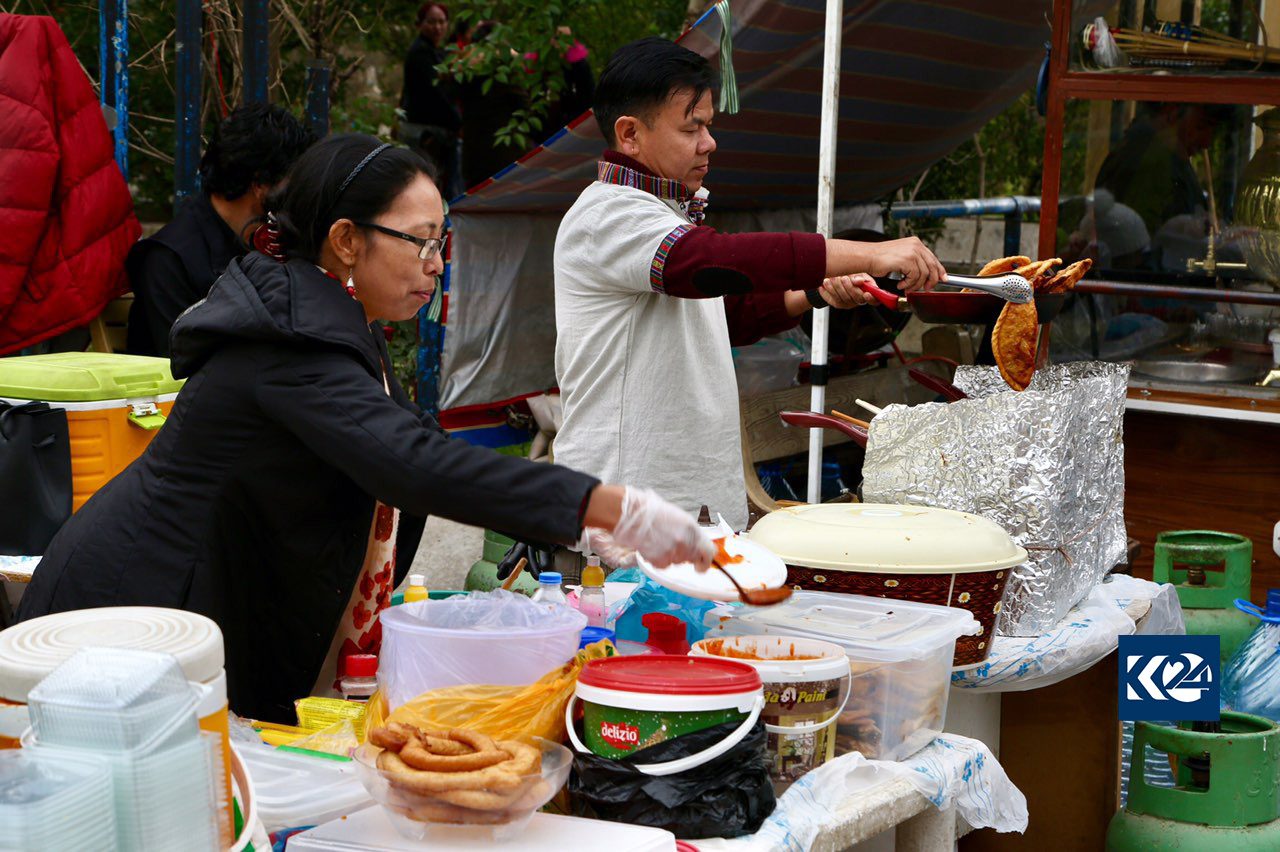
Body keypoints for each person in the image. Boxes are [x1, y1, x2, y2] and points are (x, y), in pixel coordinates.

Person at [18, 134, 714, 723]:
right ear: (346, 241)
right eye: (419, 243)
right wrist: (603, 505)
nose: (435, 265)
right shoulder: (290, 340)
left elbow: (409, 452)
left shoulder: (326, 320)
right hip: (130, 613)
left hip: (184, 603)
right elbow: (409, 463)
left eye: (440, 242)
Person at [553, 38, 944, 532]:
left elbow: (724, 315)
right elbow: (713, 262)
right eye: (690, 127)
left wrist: (816, 290)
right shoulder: (607, 214)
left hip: (689, 507)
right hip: (626, 507)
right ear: (629, 134)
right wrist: (871, 251)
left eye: (709, 125)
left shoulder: (664, 214)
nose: (709, 142)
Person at [126, 103, 315, 357]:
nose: (296, 193)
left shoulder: (272, 240)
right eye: (292, 181)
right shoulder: (170, 259)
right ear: (260, 183)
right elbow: (185, 365)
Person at [399, 2, 462, 198]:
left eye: (442, 22)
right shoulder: (420, 54)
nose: (437, 27)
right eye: (431, 22)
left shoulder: (437, 53)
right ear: (420, 24)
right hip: (424, 133)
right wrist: (458, 123)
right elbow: (434, 96)